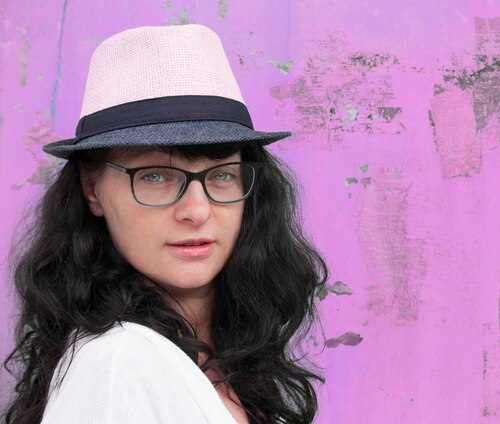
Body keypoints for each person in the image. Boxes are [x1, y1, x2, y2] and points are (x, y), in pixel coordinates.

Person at [2, 24, 328, 424]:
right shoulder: (117, 362)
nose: (197, 211)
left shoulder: (225, 360)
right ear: (92, 188)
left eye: (222, 174)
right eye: (156, 176)